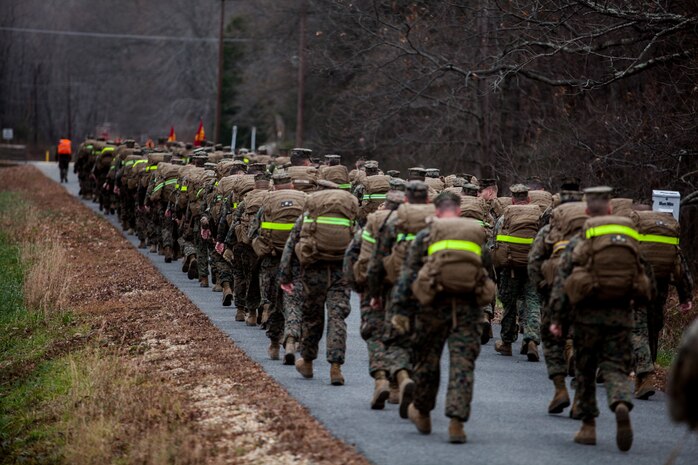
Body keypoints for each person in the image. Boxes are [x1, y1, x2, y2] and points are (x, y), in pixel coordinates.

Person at [549, 186, 653, 451]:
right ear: (610, 208)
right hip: (621, 315)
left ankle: (588, 427)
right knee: (616, 367)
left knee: (585, 371)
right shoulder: (630, 235)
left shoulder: (583, 237)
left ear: (586, 211)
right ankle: (619, 402)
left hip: (587, 317)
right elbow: (646, 275)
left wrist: (558, 319)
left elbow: (563, 279)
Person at [393, 191, 495, 443]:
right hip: (468, 309)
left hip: (432, 307)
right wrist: (488, 311)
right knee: (462, 364)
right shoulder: (475, 233)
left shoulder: (426, 234)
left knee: (427, 361)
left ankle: (424, 413)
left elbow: (408, 276)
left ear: (436, 212)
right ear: (459, 211)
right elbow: (487, 270)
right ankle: (457, 423)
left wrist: (401, 311)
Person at [279, 183, 359, 385]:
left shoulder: (309, 215)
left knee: (312, 318)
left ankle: (307, 362)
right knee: (337, 318)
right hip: (341, 273)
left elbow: (291, 245)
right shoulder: (347, 217)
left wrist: (285, 276)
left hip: (313, 272)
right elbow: (359, 245)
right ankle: (335, 367)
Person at [528, 190, 586, 414]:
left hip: (554, 292)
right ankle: (581, 397)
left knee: (552, 340)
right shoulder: (593, 229)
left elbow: (534, 262)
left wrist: (542, 287)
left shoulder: (550, 229)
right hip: (587, 293)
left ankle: (560, 388)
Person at [493, 184, 542, 360]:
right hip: (532, 267)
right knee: (533, 302)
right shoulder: (539, 216)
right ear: (528, 199)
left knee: (509, 304)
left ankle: (506, 343)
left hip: (511, 267)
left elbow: (496, 243)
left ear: (513, 199)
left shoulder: (505, 216)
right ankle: (531, 341)